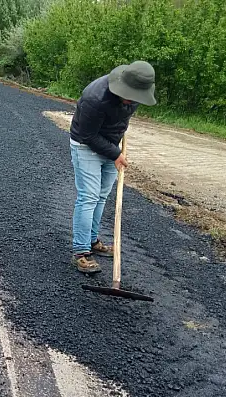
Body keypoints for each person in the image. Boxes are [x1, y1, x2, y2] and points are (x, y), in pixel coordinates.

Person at [69, 61, 156, 274]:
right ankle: (81, 252)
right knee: (88, 196)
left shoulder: (136, 94)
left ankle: (92, 240)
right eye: (129, 96)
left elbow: (121, 119)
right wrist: (116, 154)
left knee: (101, 196)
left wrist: (115, 146)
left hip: (111, 146)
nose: (132, 102)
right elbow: (88, 135)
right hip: (85, 146)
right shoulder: (94, 98)